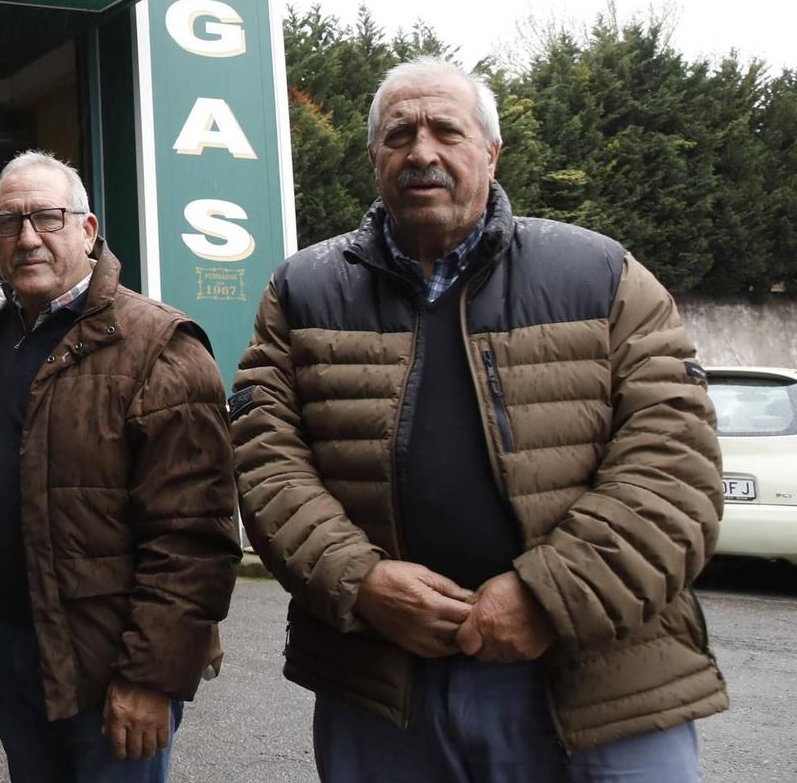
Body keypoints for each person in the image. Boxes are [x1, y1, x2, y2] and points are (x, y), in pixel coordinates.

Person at [231, 57, 727, 781]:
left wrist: (546, 597)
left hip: (600, 679)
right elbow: (265, 460)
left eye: (446, 130)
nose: (421, 151)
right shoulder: (303, 290)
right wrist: (361, 582)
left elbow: (675, 469)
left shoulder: (602, 275)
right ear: (374, 158)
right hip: (384, 684)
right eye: (399, 134)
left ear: (490, 153)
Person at [0, 150, 238, 783]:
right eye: (8, 223)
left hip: (112, 658)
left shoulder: (158, 345)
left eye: (46, 217)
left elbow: (195, 537)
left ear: (89, 230)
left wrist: (150, 678)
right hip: (16, 639)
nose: (27, 237)